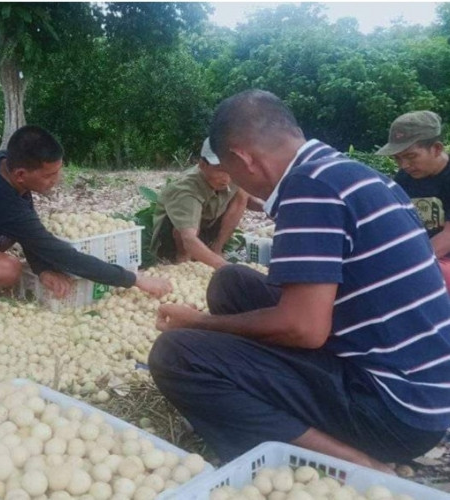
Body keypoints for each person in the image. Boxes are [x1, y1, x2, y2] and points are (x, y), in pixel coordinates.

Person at [148, 90, 450, 472]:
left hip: (394, 410)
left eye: (231, 172)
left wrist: (201, 324)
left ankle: (357, 463)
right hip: (420, 388)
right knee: (232, 281)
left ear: (244, 158)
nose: (233, 184)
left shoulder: (310, 190)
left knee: (176, 354)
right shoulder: (342, 172)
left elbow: (304, 329)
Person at [0, 125, 171, 299]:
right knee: (9, 270)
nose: (57, 180)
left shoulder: (0, 163)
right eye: (49, 175)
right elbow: (60, 252)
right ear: (21, 174)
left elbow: (25, 228)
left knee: (16, 241)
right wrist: (135, 279)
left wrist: (42, 270)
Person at [376, 111, 450, 292]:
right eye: (398, 158)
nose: (404, 165)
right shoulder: (403, 179)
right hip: (422, 257)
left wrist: (410, 263)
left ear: (437, 148)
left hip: (436, 260)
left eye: (411, 156)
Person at [150, 138, 252, 268]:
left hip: (205, 229)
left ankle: (216, 249)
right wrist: (225, 267)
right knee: (185, 229)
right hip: (176, 239)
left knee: (242, 193)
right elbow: (188, 239)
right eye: (220, 169)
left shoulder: (231, 176)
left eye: (229, 168)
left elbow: (249, 200)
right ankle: (182, 261)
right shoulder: (186, 189)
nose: (226, 178)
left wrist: (273, 208)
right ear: (202, 165)